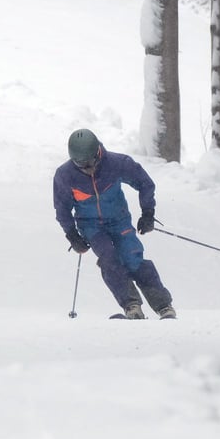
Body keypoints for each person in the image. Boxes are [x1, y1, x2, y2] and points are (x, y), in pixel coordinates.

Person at [52, 129, 176, 320]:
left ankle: (164, 306)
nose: (88, 168)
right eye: (81, 165)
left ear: (98, 153)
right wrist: (72, 236)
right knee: (109, 259)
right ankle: (132, 306)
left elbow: (145, 183)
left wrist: (148, 213)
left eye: (91, 163)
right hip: (91, 227)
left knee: (132, 257)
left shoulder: (117, 164)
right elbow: (62, 209)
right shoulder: (65, 176)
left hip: (119, 221)